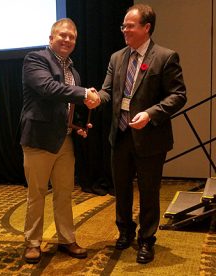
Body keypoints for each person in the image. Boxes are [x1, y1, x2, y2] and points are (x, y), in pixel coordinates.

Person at [96, 4, 187, 264]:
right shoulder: (117, 58)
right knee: (121, 190)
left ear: (146, 28)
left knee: (149, 191)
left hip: (150, 138)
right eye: (123, 25)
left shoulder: (166, 57)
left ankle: (147, 240)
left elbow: (178, 96)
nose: (124, 29)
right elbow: (106, 92)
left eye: (130, 25)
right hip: (121, 135)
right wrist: (94, 98)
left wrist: (150, 113)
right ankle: (125, 232)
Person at [19, 18, 100, 264]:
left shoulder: (73, 71)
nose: (67, 40)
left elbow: (65, 106)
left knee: (64, 193)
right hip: (39, 139)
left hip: (64, 140)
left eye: (72, 37)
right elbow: (48, 88)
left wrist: (77, 126)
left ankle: (67, 239)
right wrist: (84, 93)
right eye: (62, 35)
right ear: (51, 38)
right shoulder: (35, 60)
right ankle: (32, 243)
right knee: (37, 194)